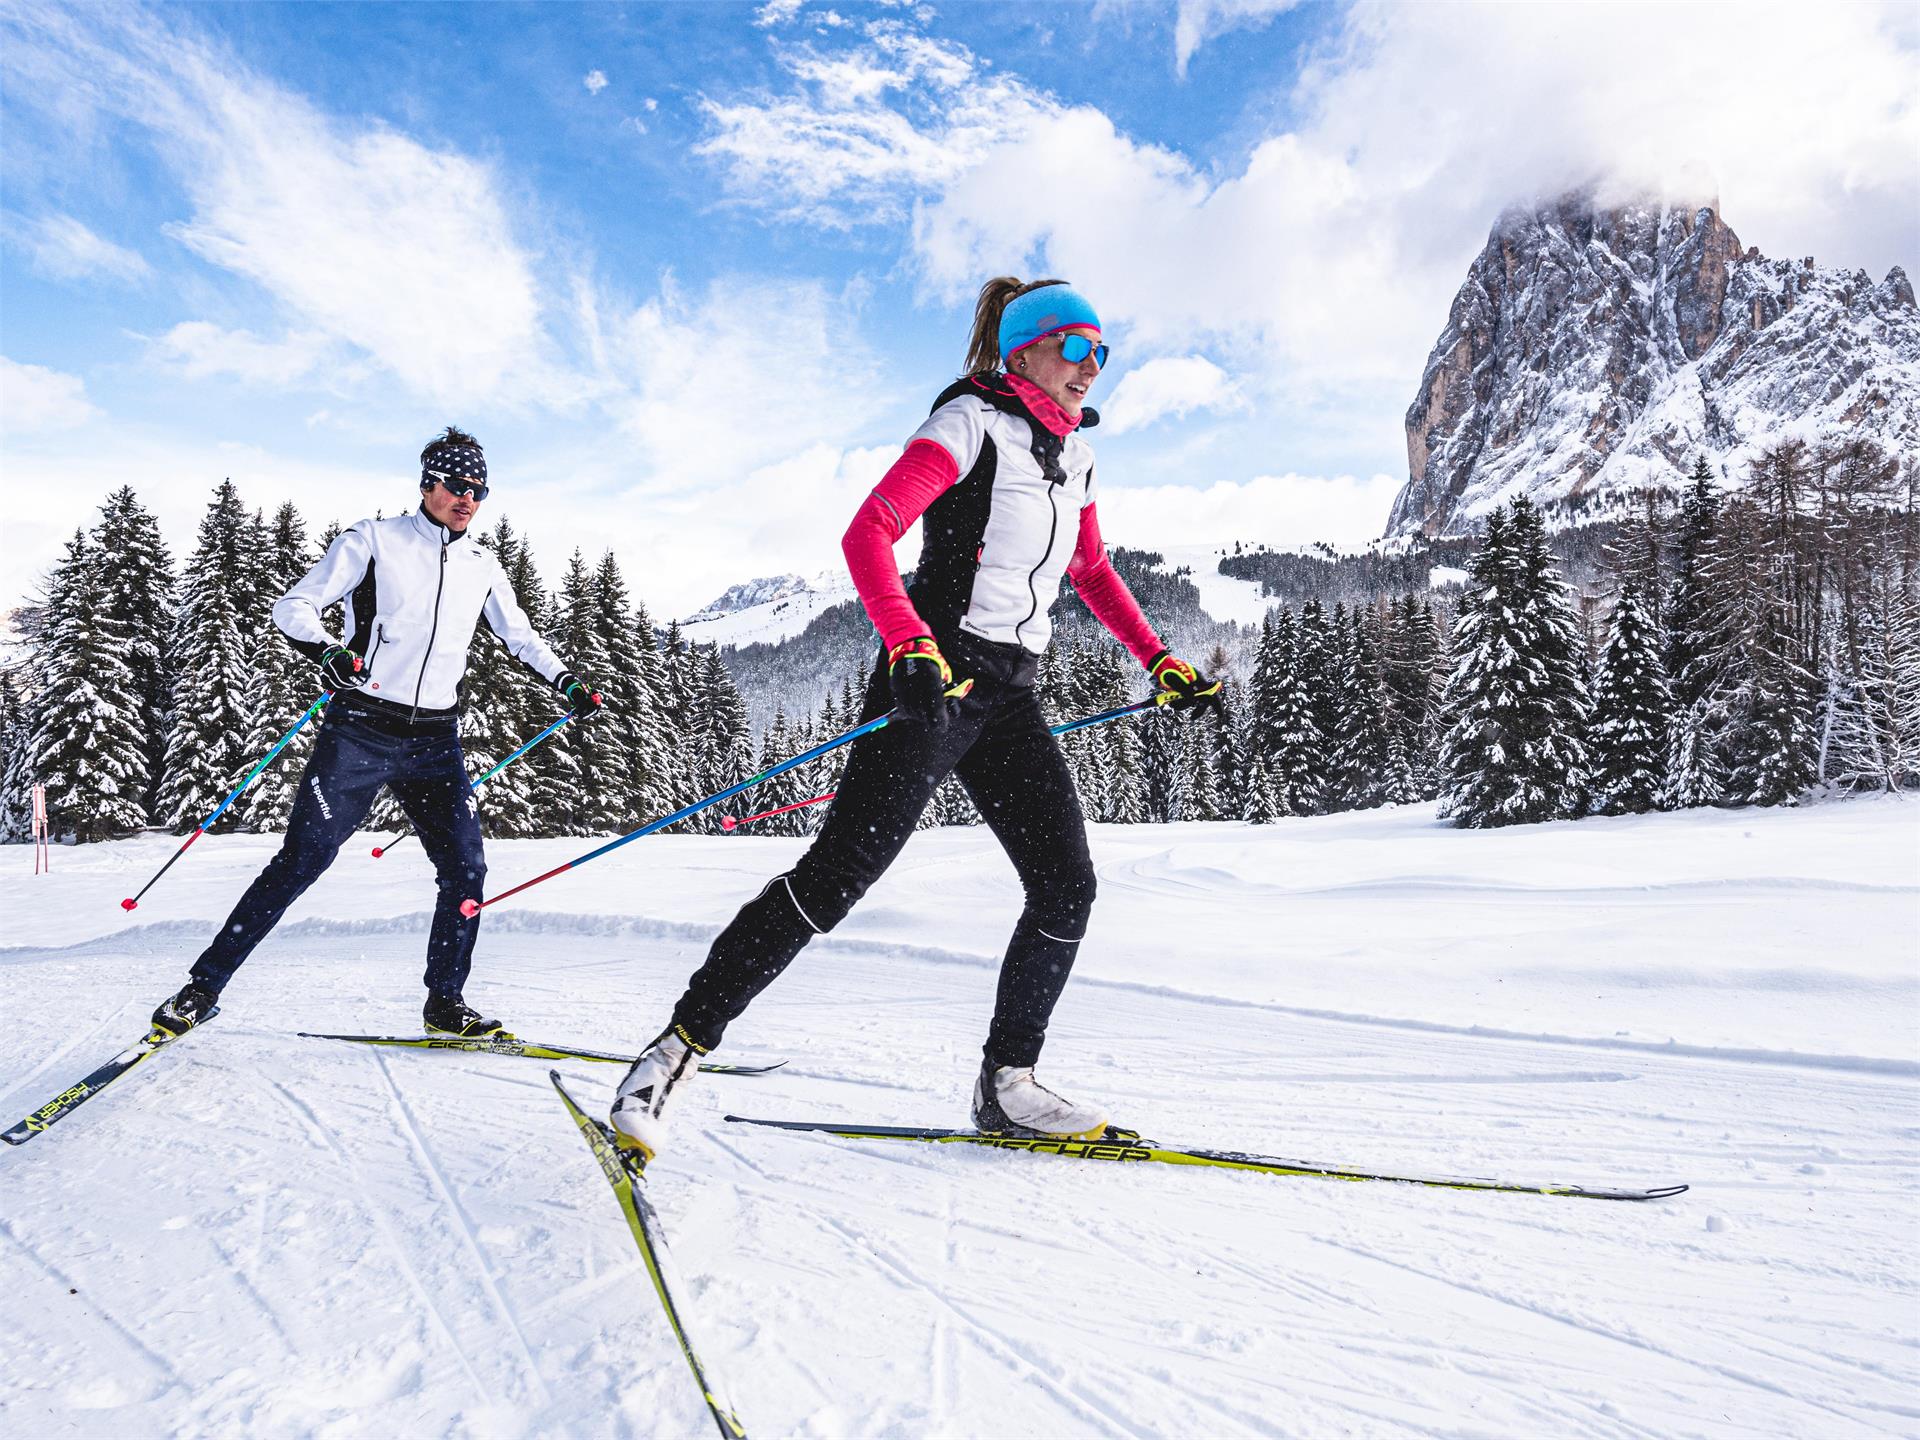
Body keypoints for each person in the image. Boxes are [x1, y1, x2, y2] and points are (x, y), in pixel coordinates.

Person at [610, 278, 1220, 1158]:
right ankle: (669, 1055)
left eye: (1102, 352)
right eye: (1076, 348)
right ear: (1025, 353)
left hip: (1010, 695)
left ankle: (1009, 1085)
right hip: (937, 682)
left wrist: (1159, 657)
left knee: (1064, 885)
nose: (1093, 368)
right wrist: (909, 647)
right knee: (832, 882)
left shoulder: (1076, 456)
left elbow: (1089, 571)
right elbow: (869, 532)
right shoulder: (967, 424)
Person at [149, 427, 601, 1039]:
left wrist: (565, 679)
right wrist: (328, 652)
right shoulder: (374, 541)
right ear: (428, 485)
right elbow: (295, 607)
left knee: (466, 870)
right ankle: (201, 989)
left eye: (479, 490)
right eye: (456, 485)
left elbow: (518, 635)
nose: (468, 498)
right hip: (361, 729)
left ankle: (445, 1004)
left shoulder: (482, 564)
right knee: (303, 859)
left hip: (436, 741)